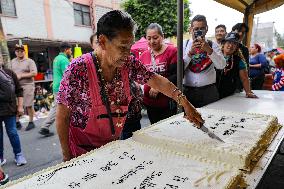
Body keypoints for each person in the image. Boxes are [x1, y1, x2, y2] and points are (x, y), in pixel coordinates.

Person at [56, 10, 203, 162]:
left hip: (112, 146)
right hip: (82, 152)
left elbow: (156, 80)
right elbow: (62, 116)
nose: (128, 54)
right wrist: (67, 156)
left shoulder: (127, 63)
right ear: (103, 41)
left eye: (130, 47)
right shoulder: (78, 69)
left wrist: (185, 103)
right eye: (122, 47)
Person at [183, 15, 226, 108]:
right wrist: (190, 53)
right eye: (196, 28)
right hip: (187, 91)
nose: (199, 31)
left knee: (210, 119)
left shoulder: (212, 45)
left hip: (209, 92)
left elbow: (221, 65)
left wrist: (209, 50)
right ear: (191, 29)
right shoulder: (184, 44)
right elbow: (179, 68)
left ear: (206, 29)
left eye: (202, 28)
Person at [139, 23, 177, 124]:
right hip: (150, 104)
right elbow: (140, 77)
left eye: (155, 38)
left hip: (167, 104)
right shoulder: (143, 56)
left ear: (162, 36)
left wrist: (159, 87)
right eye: (149, 38)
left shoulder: (172, 51)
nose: (152, 41)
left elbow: (177, 75)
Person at [39, 43, 72, 136]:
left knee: (57, 107)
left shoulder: (57, 58)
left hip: (57, 86)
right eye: (70, 50)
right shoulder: (63, 60)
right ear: (66, 50)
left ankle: (45, 126)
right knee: (61, 108)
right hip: (62, 87)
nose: (71, 52)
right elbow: (68, 75)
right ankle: (46, 127)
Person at [0, 60, 27, 166]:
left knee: (12, 132)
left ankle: (18, 155)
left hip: (9, 109)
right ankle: (0, 157)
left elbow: (19, 90)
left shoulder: (9, 73)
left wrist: (20, 106)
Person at [217, 32, 257, 99]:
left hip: (229, 94)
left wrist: (248, 92)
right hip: (213, 92)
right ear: (224, 44)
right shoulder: (215, 56)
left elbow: (244, 78)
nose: (231, 45)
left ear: (236, 47)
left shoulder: (239, 61)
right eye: (229, 42)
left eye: (234, 44)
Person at [11, 44, 37, 131]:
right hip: (15, 85)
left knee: (28, 104)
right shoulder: (12, 61)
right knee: (16, 104)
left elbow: (34, 73)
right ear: (15, 52)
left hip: (28, 85)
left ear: (24, 52)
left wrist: (22, 75)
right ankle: (17, 122)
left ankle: (31, 122)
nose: (19, 52)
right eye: (17, 51)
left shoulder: (30, 61)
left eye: (21, 51)